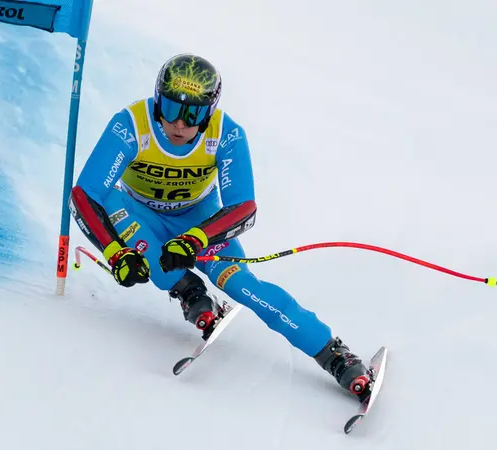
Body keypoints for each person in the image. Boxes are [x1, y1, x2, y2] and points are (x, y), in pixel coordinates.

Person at [69, 53, 371, 401]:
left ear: (209, 111)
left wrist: (196, 238)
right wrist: (115, 251)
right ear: (156, 99)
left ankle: (333, 353)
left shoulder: (226, 134)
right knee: (141, 248)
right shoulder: (130, 125)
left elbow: (244, 206)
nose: (180, 124)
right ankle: (188, 291)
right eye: (170, 109)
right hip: (138, 213)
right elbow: (84, 194)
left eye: (193, 114)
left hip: (198, 220)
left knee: (241, 284)